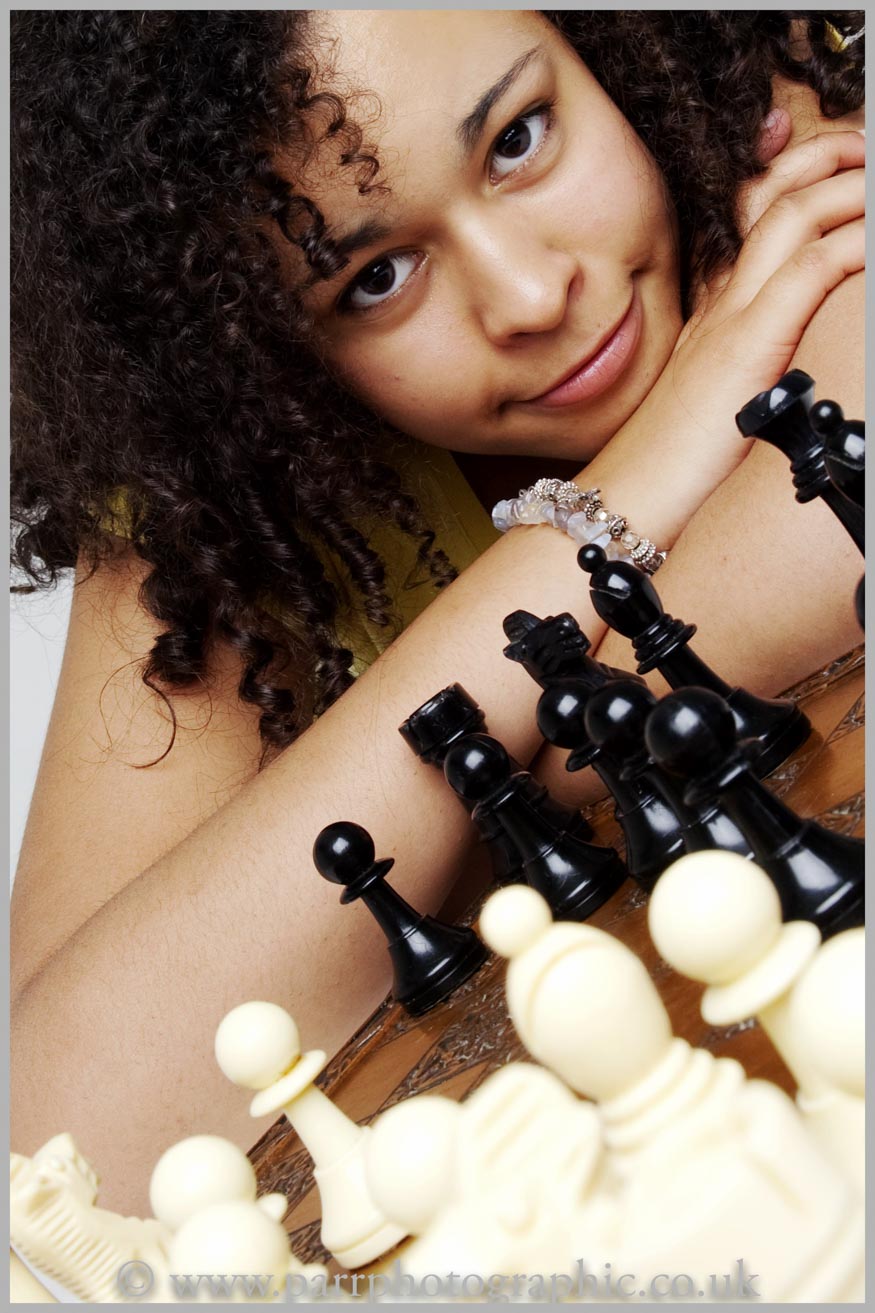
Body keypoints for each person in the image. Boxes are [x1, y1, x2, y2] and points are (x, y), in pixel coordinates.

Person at [10, 10, 864, 1214]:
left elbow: (817, 551)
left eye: (517, 136)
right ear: (251, 344)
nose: (531, 293)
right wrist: (630, 480)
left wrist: (517, 750)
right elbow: (70, 1129)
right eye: (373, 278)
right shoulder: (226, 497)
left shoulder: (783, 111)